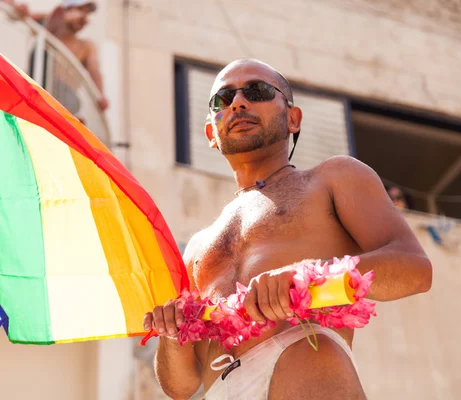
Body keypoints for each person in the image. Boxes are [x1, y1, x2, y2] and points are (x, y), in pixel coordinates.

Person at [143, 58, 433, 399]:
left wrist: (304, 278)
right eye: (222, 100)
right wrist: (172, 334)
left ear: (292, 118)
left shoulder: (333, 177)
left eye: (258, 91)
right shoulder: (196, 245)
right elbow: (182, 386)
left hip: (302, 363)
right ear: (211, 133)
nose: (238, 102)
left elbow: (416, 270)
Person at [10, 0, 109, 111]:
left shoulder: (86, 46)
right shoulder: (48, 30)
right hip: (35, 90)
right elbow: (21, 16)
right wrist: (21, 10)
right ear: (64, 10)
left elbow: (94, 70)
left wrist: (100, 96)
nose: (84, 17)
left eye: (87, 13)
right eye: (80, 10)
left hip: (63, 100)